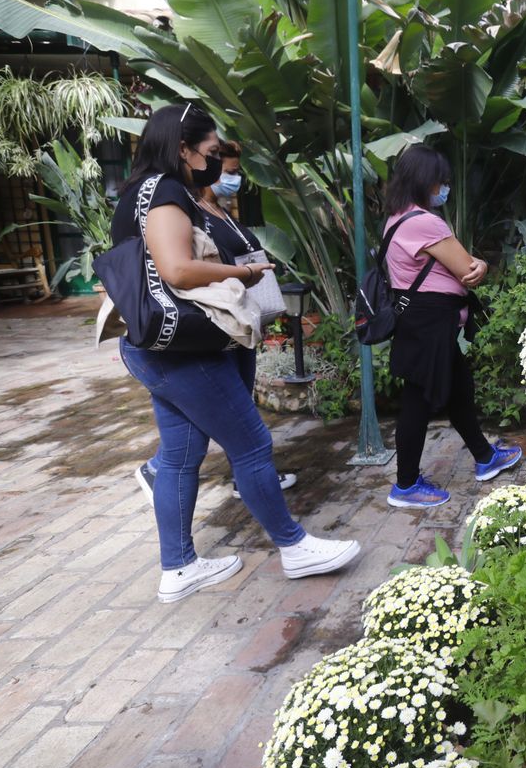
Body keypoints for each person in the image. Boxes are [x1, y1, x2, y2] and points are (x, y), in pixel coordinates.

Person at [113, 104, 359, 604]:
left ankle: (179, 567)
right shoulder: (166, 191)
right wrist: (243, 274)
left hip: (151, 345)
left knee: (180, 456)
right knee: (250, 444)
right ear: (183, 149)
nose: (213, 160)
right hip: (183, 347)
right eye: (209, 151)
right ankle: (294, 547)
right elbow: (178, 270)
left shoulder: (136, 192)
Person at [130, 137, 297, 503]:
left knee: (224, 414)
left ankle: (242, 476)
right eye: (225, 167)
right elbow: (184, 269)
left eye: (234, 169)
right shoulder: (185, 210)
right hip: (214, 321)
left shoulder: (219, 209)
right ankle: (172, 470)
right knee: (226, 422)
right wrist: (243, 273)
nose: (231, 177)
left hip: (239, 320)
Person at [382, 145, 522, 508]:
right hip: (429, 323)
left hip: (419, 321)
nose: (444, 188)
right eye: (440, 181)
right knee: (418, 400)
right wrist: (482, 266)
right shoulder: (425, 222)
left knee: (459, 388)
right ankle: (405, 485)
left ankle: (485, 457)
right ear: (424, 181)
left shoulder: (397, 218)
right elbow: (466, 269)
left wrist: (473, 264)